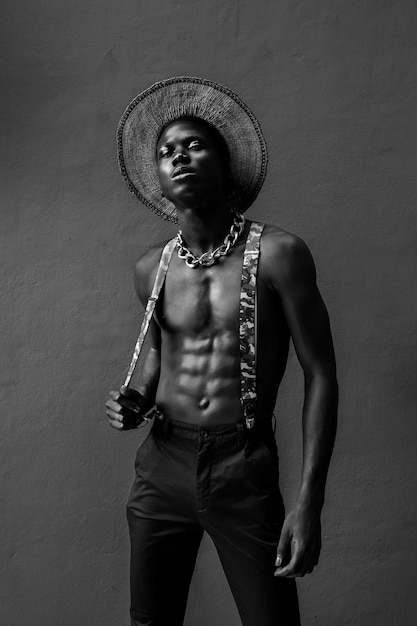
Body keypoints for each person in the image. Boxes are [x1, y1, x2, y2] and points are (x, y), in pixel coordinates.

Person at [106, 77, 338, 626]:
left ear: (225, 163)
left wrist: (309, 504)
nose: (178, 157)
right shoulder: (151, 268)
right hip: (162, 465)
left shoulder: (280, 254)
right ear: (158, 179)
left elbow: (322, 374)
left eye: (194, 145)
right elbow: (158, 358)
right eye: (166, 152)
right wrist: (134, 399)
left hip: (243, 465)